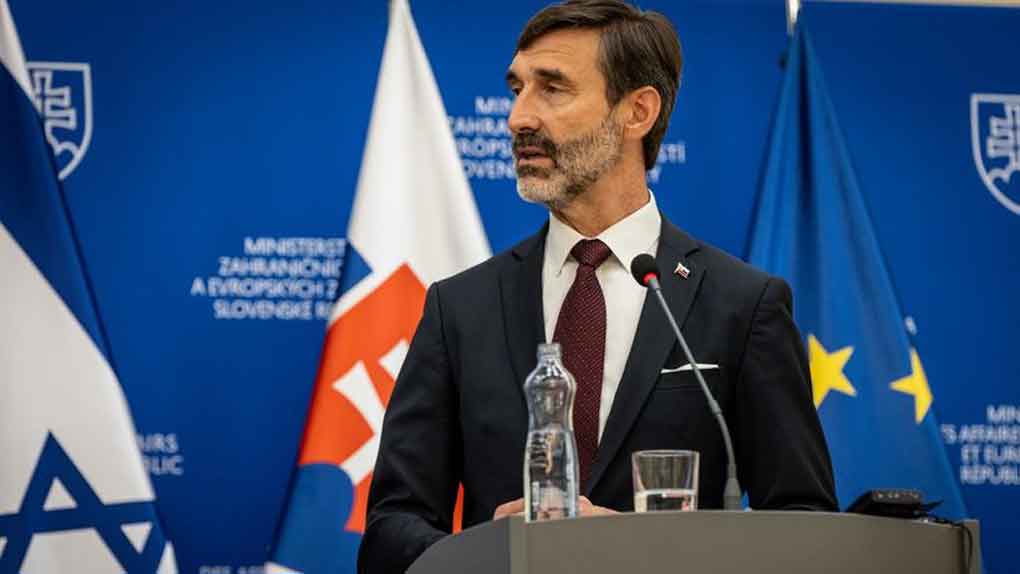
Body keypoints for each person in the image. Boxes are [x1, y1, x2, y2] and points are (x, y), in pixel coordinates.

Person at [358, 1, 837, 571]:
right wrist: (486, 551)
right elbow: (390, 531)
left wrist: (639, 550)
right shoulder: (459, 308)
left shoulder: (742, 305)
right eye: (517, 89)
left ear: (637, 112)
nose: (518, 117)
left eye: (553, 88)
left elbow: (806, 529)